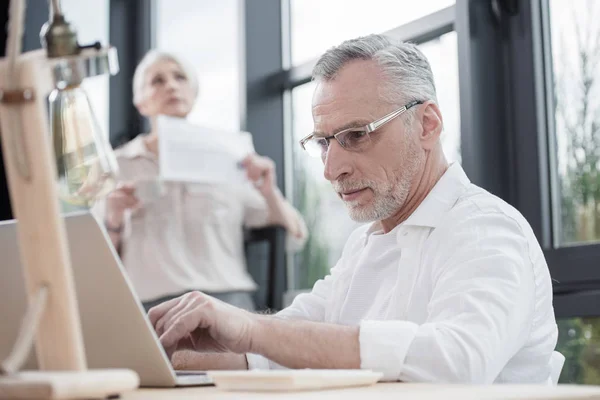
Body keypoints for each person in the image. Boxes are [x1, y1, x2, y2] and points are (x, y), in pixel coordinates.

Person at [147, 35, 558, 383]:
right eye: (324, 142)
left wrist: (252, 330)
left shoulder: (485, 228)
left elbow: (457, 361)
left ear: (427, 124)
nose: (331, 169)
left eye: (357, 135)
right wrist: (158, 350)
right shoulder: (365, 243)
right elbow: (282, 343)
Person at [94, 50, 307, 312]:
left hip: (226, 300)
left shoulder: (231, 158)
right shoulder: (117, 166)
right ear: (140, 102)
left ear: (193, 94)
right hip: (150, 305)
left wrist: (268, 191)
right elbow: (96, 266)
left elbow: (294, 238)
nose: (171, 85)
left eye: (179, 77)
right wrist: (113, 218)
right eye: (157, 81)